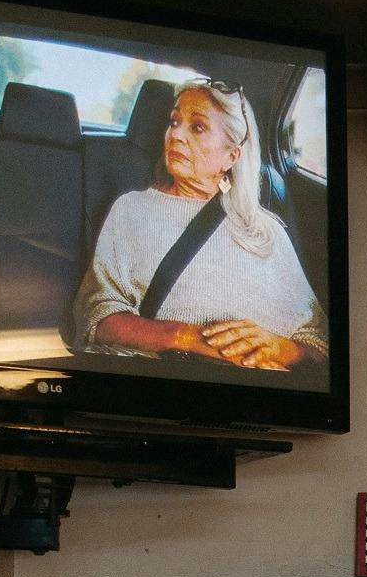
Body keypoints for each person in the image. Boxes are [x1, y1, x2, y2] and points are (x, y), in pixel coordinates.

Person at [77, 80, 326, 372]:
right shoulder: (132, 209)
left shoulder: (267, 231)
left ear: (230, 157)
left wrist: (282, 349)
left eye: (197, 127)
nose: (175, 135)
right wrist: (185, 337)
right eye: (174, 122)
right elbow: (97, 317)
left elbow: (318, 342)